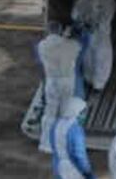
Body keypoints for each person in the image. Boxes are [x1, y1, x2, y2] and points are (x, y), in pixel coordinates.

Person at [36, 26, 83, 154]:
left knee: (50, 112)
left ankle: (45, 143)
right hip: (67, 81)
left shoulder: (42, 45)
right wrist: (67, 35)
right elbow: (78, 46)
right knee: (64, 114)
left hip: (52, 80)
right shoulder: (71, 45)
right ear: (60, 31)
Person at [71, 0, 116, 93]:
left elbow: (107, 16)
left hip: (101, 34)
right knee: (88, 56)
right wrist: (82, 21)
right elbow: (75, 12)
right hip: (88, 33)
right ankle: (89, 79)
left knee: (102, 57)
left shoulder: (108, 0)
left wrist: (96, 24)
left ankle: (99, 84)